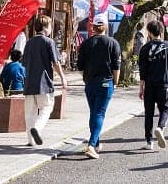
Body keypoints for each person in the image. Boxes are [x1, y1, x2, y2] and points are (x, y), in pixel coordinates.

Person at [76, 13, 121, 159]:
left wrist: (86, 76)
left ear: (93, 26)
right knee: (99, 113)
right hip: (106, 82)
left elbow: (79, 66)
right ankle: (91, 145)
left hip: (89, 82)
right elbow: (116, 66)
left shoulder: (86, 44)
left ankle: (96, 143)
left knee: (94, 113)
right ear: (106, 26)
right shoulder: (112, 43)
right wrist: (116, 81)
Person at [22, 15, 68, 147]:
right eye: (50, 26)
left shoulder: (29, 43)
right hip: (44, 82)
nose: (51, 29)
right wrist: (63, 78)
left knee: (30, 112)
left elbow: (24, 62)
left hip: (29, 82)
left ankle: (31, 140)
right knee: (46, 108)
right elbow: (55, 62)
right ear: (46, 27)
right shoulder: (49, 42)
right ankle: (37, 128)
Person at [138, 19, 168, 150]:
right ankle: (160, 127)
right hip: (163, 83)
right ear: (161, 31)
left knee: (148, 112)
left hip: (149, 84)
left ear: (149, 32)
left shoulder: (145, 48)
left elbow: (142, 70)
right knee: (165, 109)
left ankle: (149, 142)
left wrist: (141, 87)